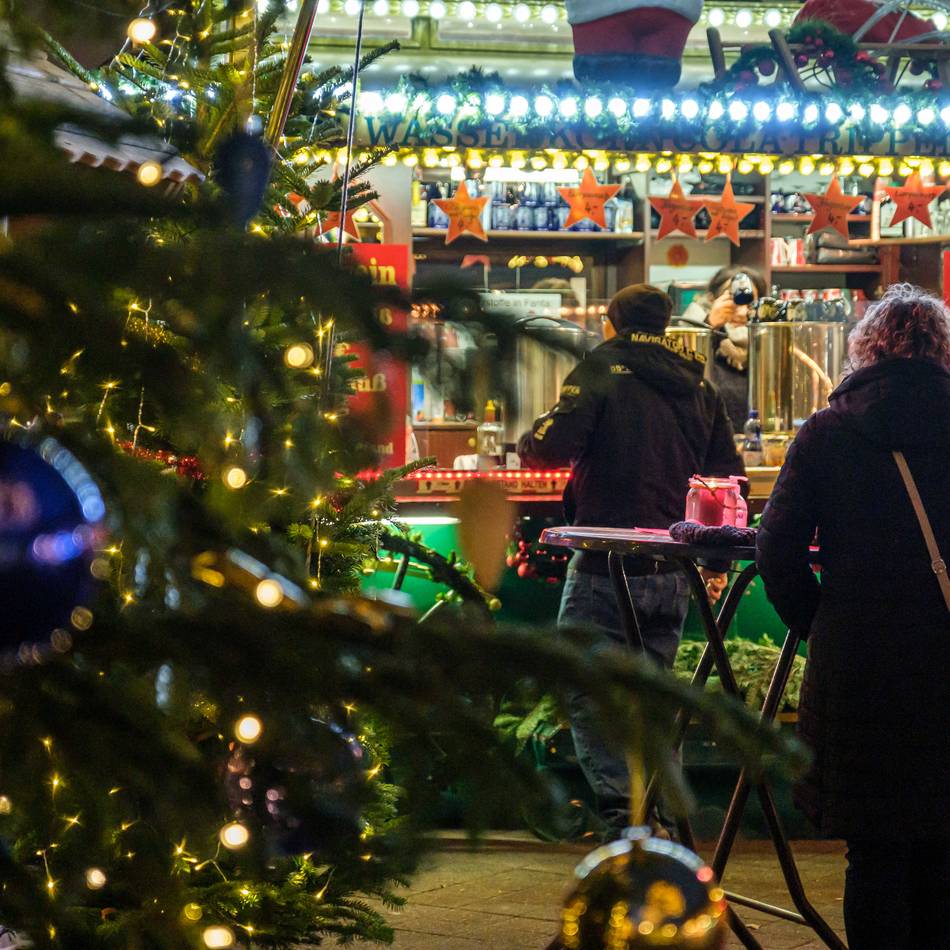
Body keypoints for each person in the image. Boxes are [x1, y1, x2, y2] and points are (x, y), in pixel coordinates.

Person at [756, 284, 950, 950]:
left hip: (862, 665)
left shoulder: (829, 431)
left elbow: (775, 549)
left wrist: (822, 624)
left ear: (866, 347)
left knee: (874, 845)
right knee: (941, 846)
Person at [521, 283, 744, 830]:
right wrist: (717, 563)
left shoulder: (602, 367)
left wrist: (531, 438)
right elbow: (727, 478)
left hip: (605, 559)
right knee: (654, 694)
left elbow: (547, 446)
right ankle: (664, 815)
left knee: (588, 687)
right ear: (665, 324)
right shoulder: (697, 382)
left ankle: (626, 816)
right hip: (672, 562)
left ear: (610, 323)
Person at [678, 266, 768, 430]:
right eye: (735, 301)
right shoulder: (696, 338)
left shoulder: (766, 344)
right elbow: (682, 375)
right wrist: (710, 325)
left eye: (750, 304)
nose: (742, 312)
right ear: (713, 300)